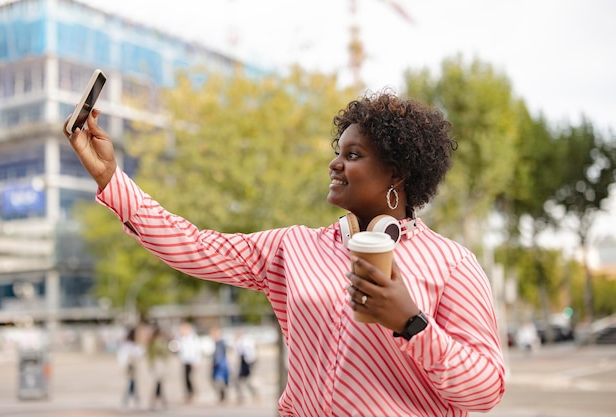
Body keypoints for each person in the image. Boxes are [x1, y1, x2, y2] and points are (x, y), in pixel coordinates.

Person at [64, 89, 506, 416]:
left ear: (397, 173)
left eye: (353, 155)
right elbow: (193, 246)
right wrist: (110, 178)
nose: (335, 163)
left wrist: (412, 325)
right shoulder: (292, 248)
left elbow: (486, 389)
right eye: (338, 151)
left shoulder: (452, 264)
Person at [116, 327, 144, 410]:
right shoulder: (128, 345)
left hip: (132, 366)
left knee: (132, 383)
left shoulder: (131, 344)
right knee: (131, 382)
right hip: (129, 366)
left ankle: (133, 400)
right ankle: (130, 400)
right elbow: (124, 356)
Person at [176, 321, 202, 403]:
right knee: (185, 378)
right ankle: (188, 393)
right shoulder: (182, 338)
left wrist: (196, 361)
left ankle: (193, 393)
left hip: (191, 361)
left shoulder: (193, 338)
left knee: (189, 378)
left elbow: (197, 350)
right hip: (185, 360)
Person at [146, 326, 169, 410]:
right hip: (157, 364)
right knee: (158, 384)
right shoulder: (155, 343)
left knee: (159, 384)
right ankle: (157, 401)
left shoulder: (157, 342)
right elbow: (153, 355)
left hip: (159, 364)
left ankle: (159, 401)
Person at [234, 330, 258, 403]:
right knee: (241, 381)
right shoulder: (243, 342)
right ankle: (242, 397)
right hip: (246, 363)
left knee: (246, 381)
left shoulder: (243, 343)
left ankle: (253, 395)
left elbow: (248, 354)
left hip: (247, 364)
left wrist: (249, 364)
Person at [210, 326, 230, 403]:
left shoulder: (221, 343)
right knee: (215, 380)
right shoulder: (216, 343)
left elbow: (220, 354)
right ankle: (222, 396)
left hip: (220, 365)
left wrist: (217, 362)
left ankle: (223, 396)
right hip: (217, 364)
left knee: (220, 381)